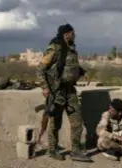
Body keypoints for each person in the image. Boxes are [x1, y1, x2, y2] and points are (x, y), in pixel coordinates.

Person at [36, 24, 92, 162]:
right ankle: (52, 149)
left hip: (70, 90)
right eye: (73, 33)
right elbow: (40, 69)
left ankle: (76, 151)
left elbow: (70, 66)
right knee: (55, 123)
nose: (75, 35)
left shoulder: (71, 49)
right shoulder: (55, 48)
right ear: (66, 34)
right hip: (57, 92)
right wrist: (45, 88)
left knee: (77, 121)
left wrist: (83, 72)